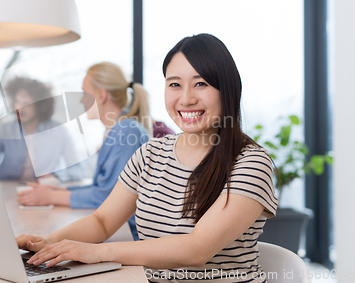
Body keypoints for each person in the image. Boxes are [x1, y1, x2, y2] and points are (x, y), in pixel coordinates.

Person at [15, 34, 278, 283]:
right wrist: (49, 242)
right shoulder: (151, 153)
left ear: (227, 89)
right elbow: (102, 221)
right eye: (174, 84)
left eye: (201, 83)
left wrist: (98, 252)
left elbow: (197, 250)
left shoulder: (251, 164)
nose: (186, 99)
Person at [17, 62, 150, 240]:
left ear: (101, 96)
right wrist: (58, 191)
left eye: (84, 93)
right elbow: (103, 188)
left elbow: (106, 197)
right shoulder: (117, 129)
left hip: (130, 236)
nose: (81, 100)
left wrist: (50, 196)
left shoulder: (125, 131)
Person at [0, 77, 83, 183]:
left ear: (40, 106)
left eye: (27, 103)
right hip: (7, 190)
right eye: (18, 102)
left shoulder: (59, 131)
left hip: (43, 192)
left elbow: (77, 170)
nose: (20, 108)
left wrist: (56, 177)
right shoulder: (2, 130)